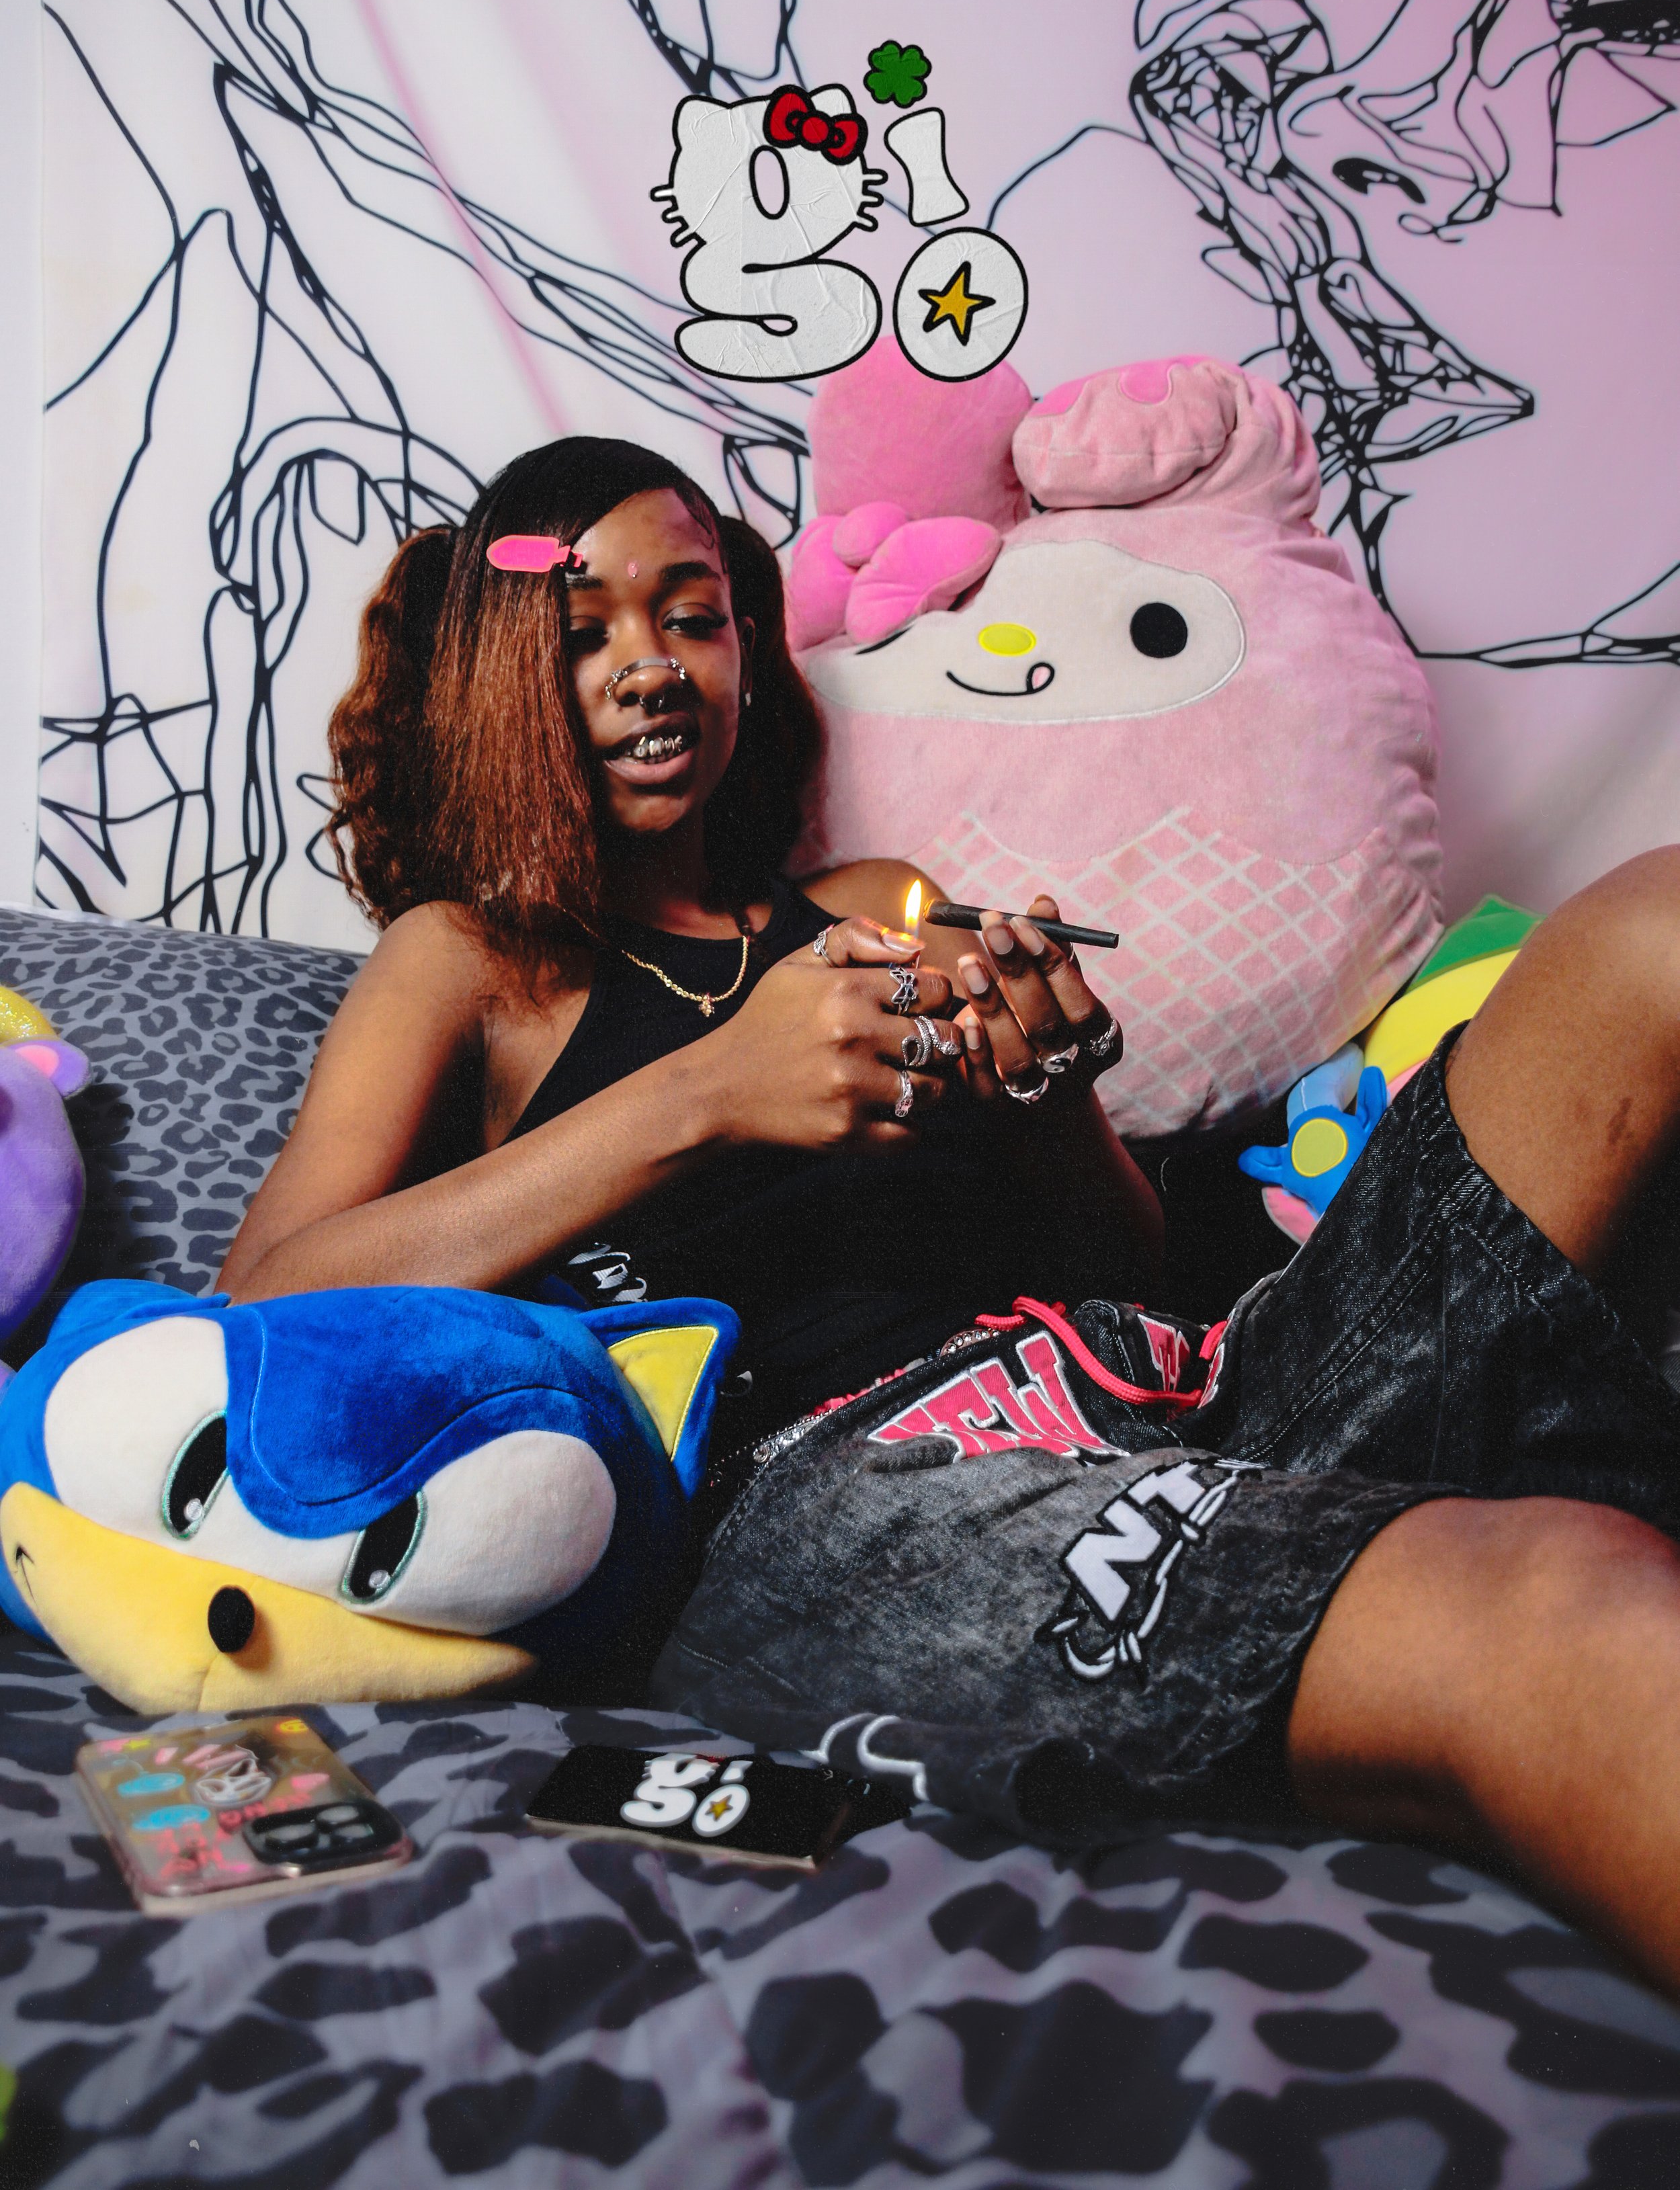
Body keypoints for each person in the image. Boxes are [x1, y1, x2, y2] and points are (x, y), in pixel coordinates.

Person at [222, 436, 1680, 1993]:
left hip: (1173, 1387)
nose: (650, 669)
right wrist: (707, 1091)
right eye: (585, 635)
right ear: (508, 672)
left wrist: (1045, 1095)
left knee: (1645, 933)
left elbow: (1120, 1272)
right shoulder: (471, 961)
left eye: (693, 617)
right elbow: (263, 1306)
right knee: (1541, 1597)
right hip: (849, 1506)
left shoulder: (873, 908)